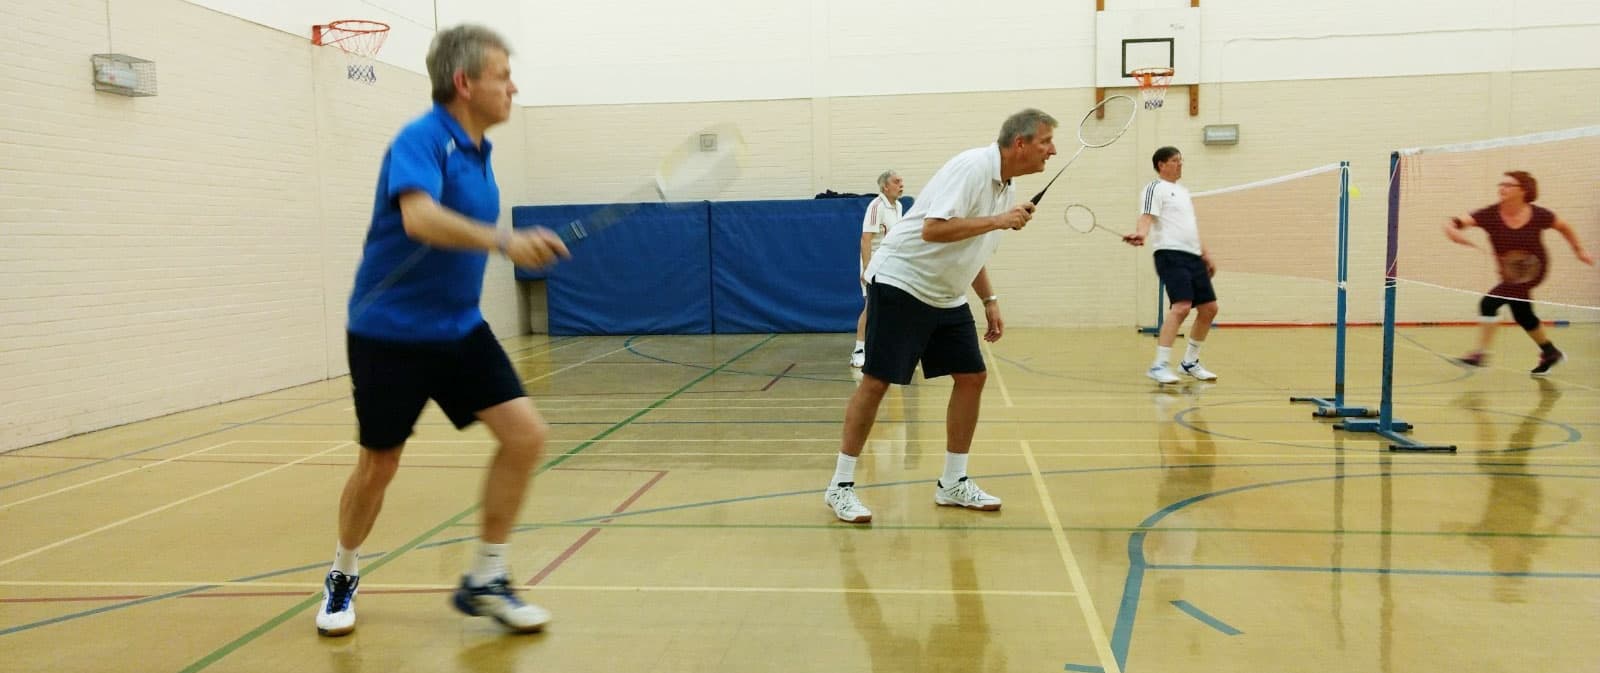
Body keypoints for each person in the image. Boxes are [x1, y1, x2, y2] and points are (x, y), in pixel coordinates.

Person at [316, 25, 570, 637]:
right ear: (464, 83)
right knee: (379, 464)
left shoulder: (481, 153)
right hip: (388, 334)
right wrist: (506, 241)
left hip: (457, 330)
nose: (514, 86)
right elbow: (421, 218)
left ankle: (485, 577)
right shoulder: (422, 139)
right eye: (502, 75)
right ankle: (343, 572)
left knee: (525, 436)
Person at [824, 108, 1057, 523]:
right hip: (904, 281)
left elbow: (972, 245)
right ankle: (840, 486)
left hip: (945, 294)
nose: (1052, 151)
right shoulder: (972, 168)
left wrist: (989, 299)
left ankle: (953, 482)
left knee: (972, 376)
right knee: (878, 382)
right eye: (1045, 142)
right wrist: (999, 220)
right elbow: (934, 229)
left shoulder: (1004, 186)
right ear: (1020, 143)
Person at [1444, 170, 1593, 375]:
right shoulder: (1490, 214)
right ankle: (1550, 352)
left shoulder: (1538, 214)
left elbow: (1564, 226)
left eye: (1508, 185)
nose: (1502, 188)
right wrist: (1451, 227)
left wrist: (1579, 250)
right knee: (1522, 313)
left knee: (1488, 303)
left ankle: (1479, 354)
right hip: (1510, 273)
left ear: (1523, 191)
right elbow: (1459, 221)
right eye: (1500, 184)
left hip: (1534, 268)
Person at [1122, 146, 1220, 385]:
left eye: (1181, 160)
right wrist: (1141, 234)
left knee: (1209, 309)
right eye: (1175, 160)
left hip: (1193, 255)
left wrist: (1205, 254)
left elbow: (1190, 227)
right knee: (1182, 306)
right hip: (1169, 254)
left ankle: (1190, 362)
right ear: (1161, 165)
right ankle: (1159, 365)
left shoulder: (1184, 192)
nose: (1180, 164)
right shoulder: (1154, 188)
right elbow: (1146, 216)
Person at [852, 170, 905, 368]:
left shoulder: (898, 206)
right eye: (896, 181)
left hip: (893, 265)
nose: (901, 184)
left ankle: (892, 351)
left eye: (901, 181)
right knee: (871, 307)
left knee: (895, 308)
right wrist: (867, 270)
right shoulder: (876, 206)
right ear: (885, 186)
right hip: (875, 265)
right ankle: (858, 350)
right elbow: (866, 239)